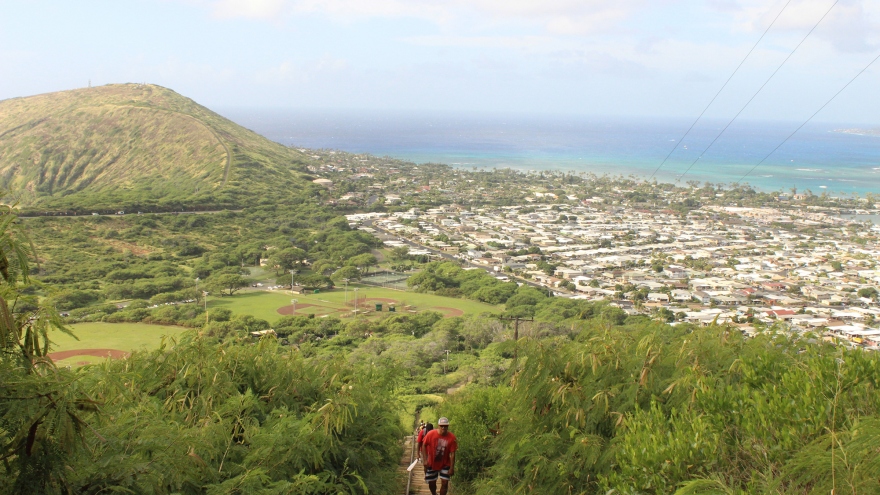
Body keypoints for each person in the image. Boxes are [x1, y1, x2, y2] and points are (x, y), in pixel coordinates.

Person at [420, 417, 457, 495]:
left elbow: (453, 453)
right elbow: (423, 445)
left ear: (448, 427)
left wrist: (452, 468)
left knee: (445, 483)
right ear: (438, 426)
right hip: (432, 462)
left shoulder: (452, 437)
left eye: (445, 426)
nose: (443, 427)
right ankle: (434, 493)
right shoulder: (431, 434)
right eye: (442, 426)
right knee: (432, 483)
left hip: (445, 463)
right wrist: (425, 460)